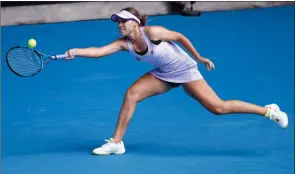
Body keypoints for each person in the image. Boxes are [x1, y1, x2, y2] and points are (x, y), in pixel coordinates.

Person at [65, 7, 288, 155]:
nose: (119, 25)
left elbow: (180, 36)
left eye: (123, 21)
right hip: (163, 73)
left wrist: (198, 57)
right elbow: (99, 51)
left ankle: (268, 110)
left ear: (135, 23)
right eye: (118, 22)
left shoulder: (153, 32)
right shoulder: (124, 43)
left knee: (218, 108)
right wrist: (76, 50)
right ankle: (116, 143)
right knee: (131, 94)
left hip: (185, 69)